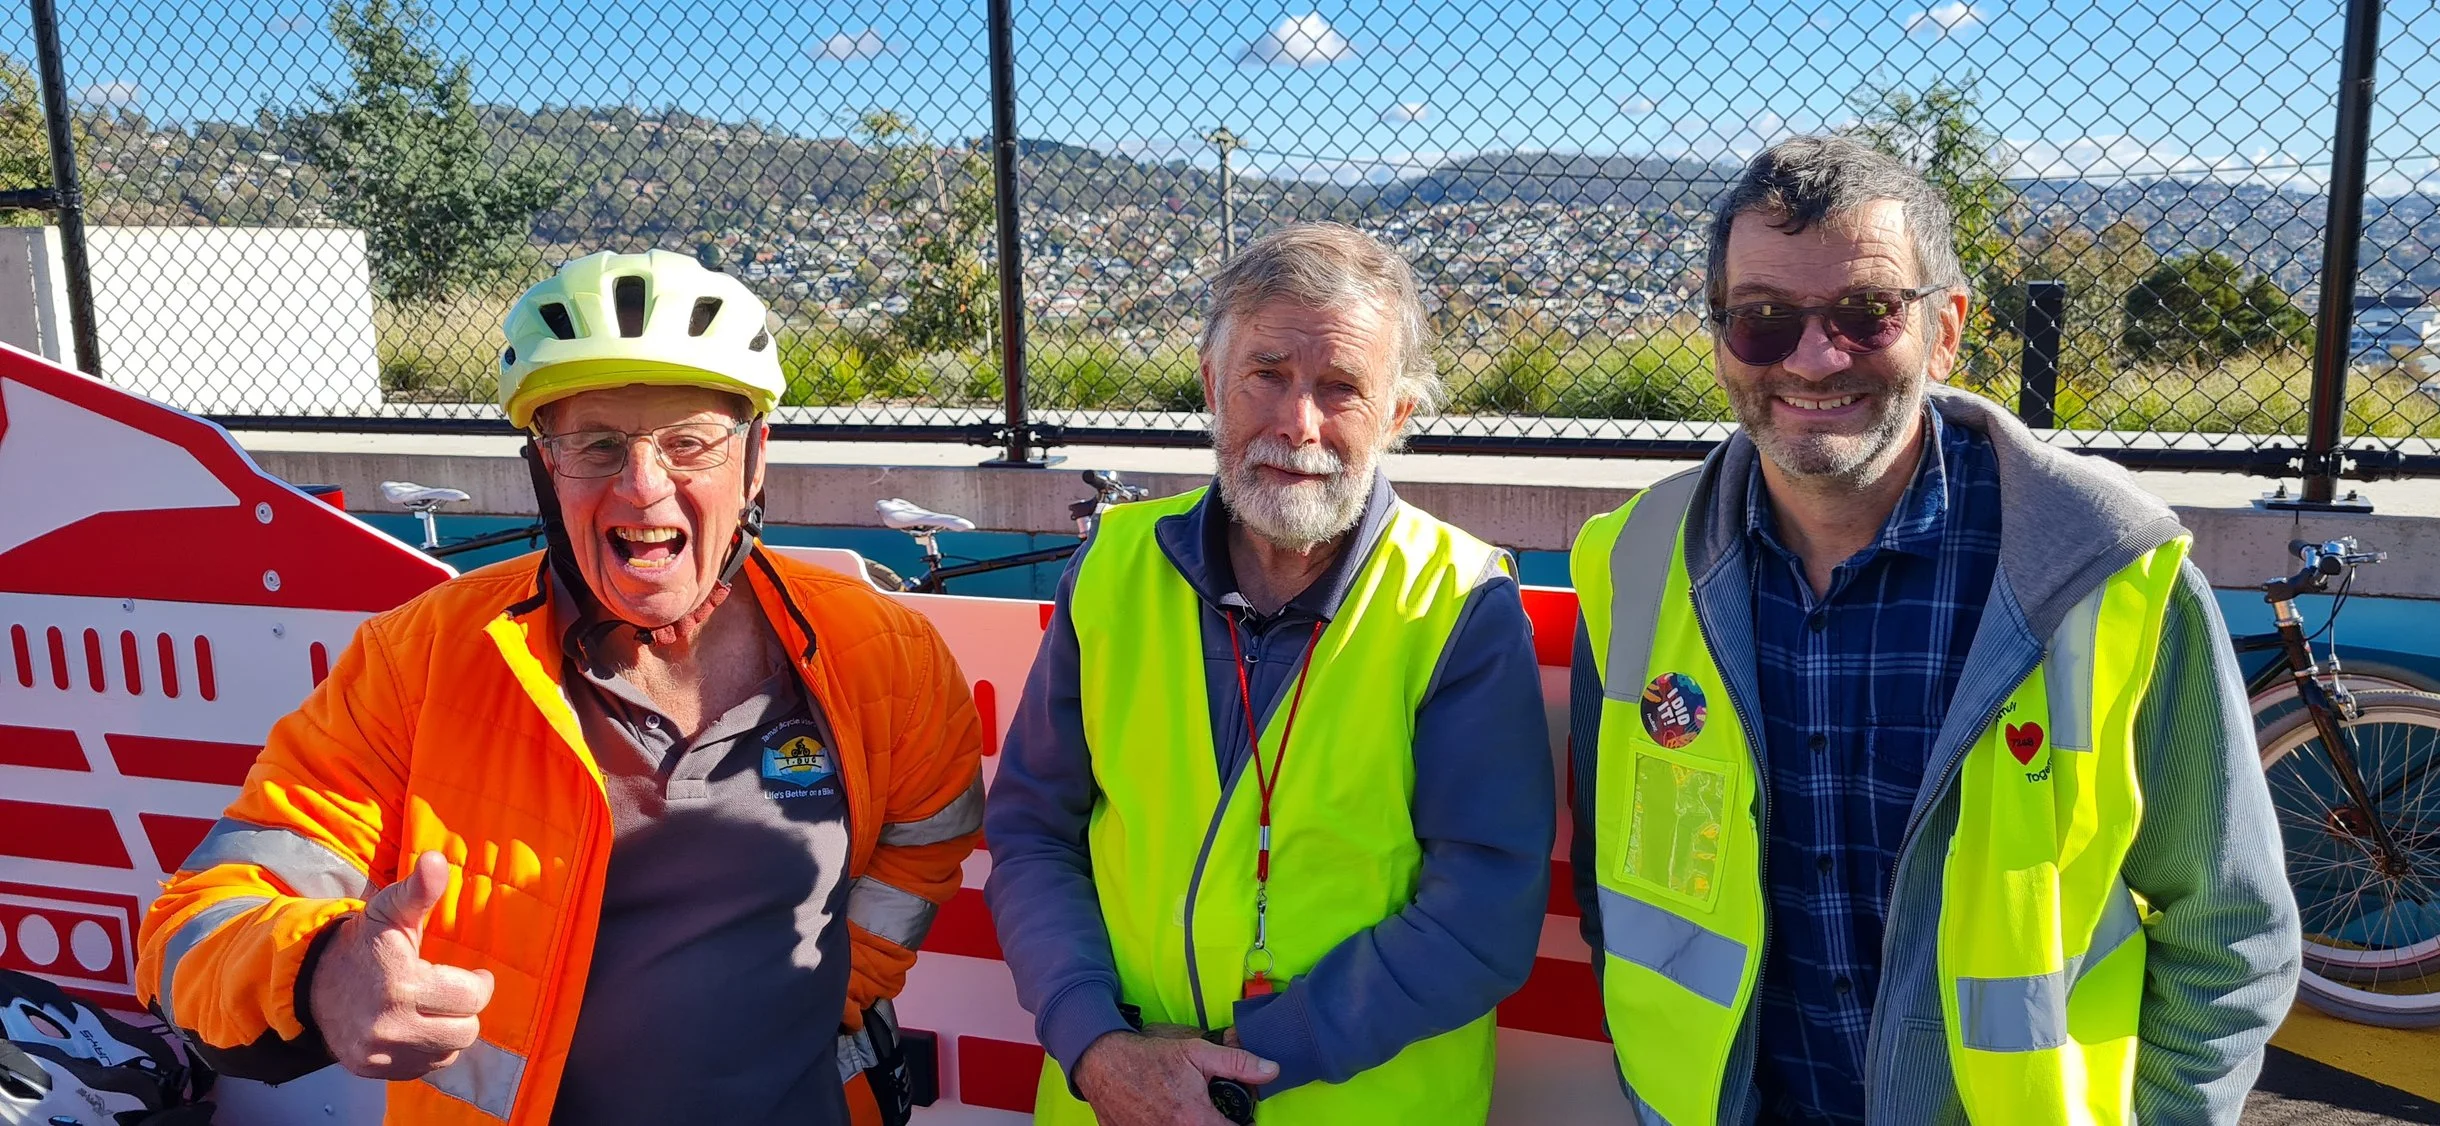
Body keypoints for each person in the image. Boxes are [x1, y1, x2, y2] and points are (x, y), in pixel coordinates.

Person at [136, 249, 986, 1126]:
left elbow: (928, 838)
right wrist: (317, 973)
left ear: (755, 459)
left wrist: (853, 985)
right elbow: (196, 924)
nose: (643, 486)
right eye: (595, 445)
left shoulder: (882, 652)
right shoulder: (421, 657)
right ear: (544, 469)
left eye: (689, 442)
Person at [1568, 136, 2301, 1125]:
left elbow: (2228, 934)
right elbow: (1617, 894)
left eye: (1865, 313)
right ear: (1718, 338)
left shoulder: (2101, 575)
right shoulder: (1635, 565)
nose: (1813, 356)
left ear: (1945, 327)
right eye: (1761, 320)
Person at [984, 222, 1555, 1125]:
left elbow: (1483, 910)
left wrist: (1237, 1073)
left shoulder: (1458, 601)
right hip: (1111, 1100)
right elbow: (1032, 833)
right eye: (1267, 375)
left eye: (1341, 389)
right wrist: (1098, 1045)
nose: (1299, 424)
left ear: (1397, 417)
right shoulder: (1111, 568)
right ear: (1213, 383)